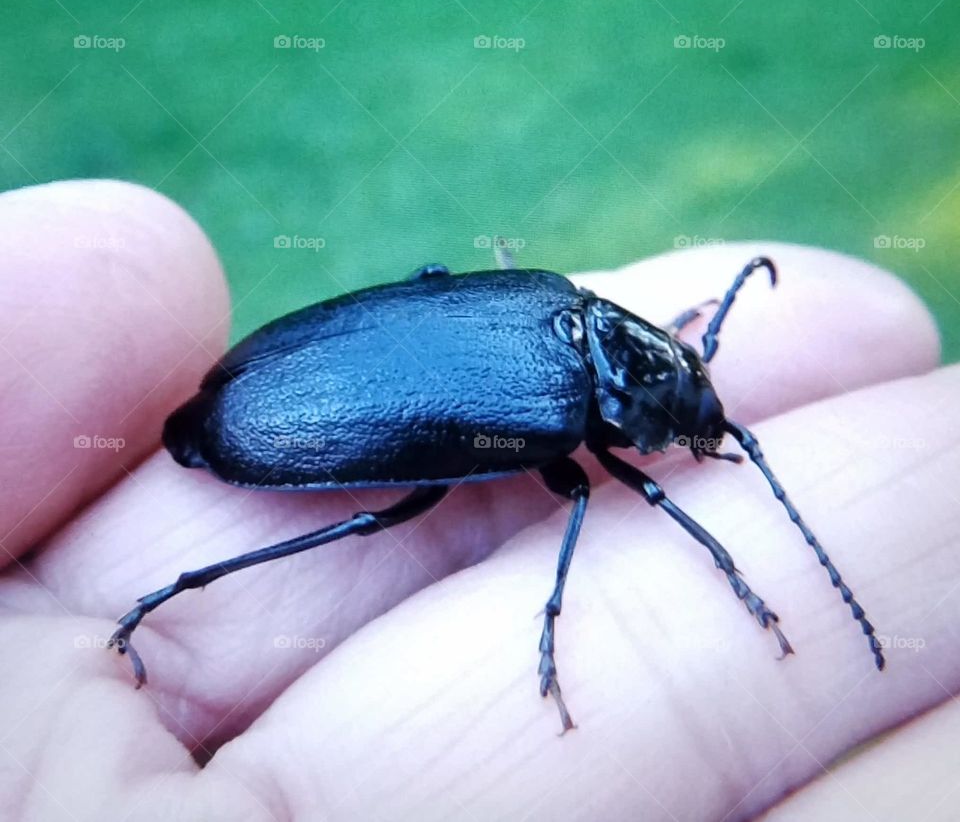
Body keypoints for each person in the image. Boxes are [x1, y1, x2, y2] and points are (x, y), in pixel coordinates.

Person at [0, 179, 954, 821]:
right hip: (269, 417)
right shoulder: (556, 415)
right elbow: (615, 495)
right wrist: (719, 570)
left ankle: (182, 585)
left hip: (276, 383)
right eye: (694, 423)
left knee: (409, 446)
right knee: (386, 520)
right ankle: (187, 581)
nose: (702, 441)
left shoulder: (549, 300)